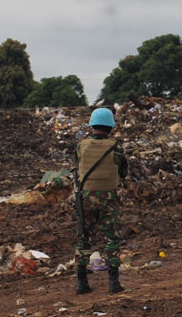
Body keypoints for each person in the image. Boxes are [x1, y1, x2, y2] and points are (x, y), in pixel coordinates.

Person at [75, 108, 128, 294]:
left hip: (86, 198)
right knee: (112, 238)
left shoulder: (81, 146)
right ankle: (114, 283)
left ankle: (81, 284)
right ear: (110, 127)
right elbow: (123, 172)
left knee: (84, 238)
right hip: (109, 198)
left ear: (92, 125)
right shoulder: (116, 148)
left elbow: (78, 165)